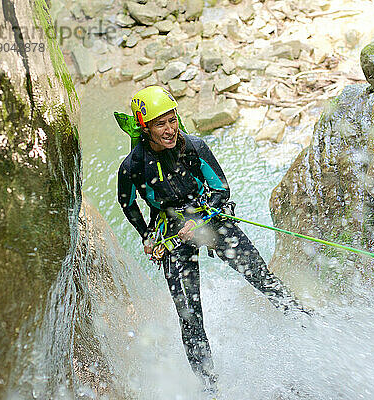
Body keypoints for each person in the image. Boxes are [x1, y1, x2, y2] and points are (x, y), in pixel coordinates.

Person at [116, 86, 307, 392]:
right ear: (145, 126)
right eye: (160, 124)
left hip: (210, 218)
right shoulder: (133, 166)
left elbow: (221, 190)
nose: (170, 129)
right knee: (190, 317)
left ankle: (303, 320)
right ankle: (209, 387)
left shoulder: (193, 147)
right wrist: (147, 235)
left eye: (172, 120)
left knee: (261, 276)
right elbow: (127, 204)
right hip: (170, 234)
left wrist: (198, 221)